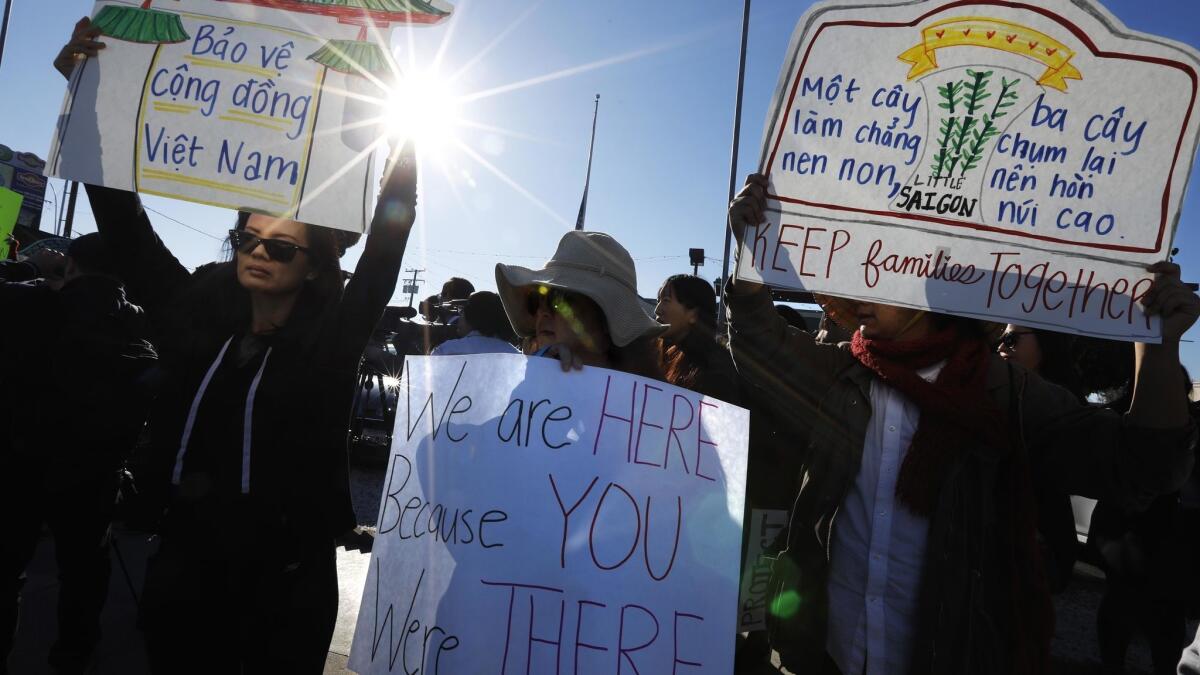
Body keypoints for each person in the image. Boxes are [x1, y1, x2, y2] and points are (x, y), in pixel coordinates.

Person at [725, 172, 1197, 675]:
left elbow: (1140, 466)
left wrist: (1158, 345)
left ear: (927, 280)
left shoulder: (1006, 392)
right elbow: (760, 342)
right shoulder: (845, 371)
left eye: (879, 269)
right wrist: (754, 249)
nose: (858, 289)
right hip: (824, 656)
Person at [59, 23, 419, 668]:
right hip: (183, 572)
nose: (257, 253)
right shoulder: (192, 322)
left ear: (313, 266)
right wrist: (91, 92)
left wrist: (406, 136)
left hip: (285, 584)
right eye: (245, 240)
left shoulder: (330, 345)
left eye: (279, 248)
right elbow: (124, 223)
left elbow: (386, 248)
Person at [1, 233, 157, 674]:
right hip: (94, 472)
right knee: (84, 576)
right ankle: (73, 656)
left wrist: (31, 269)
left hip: (20, 460)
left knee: (8, 569)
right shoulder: (135, 322)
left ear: (71, 264)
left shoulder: (32, 305)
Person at [495, 230, 664, 378]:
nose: (542, 312)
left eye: (559, 300)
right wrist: (535, 378)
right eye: (536, 300)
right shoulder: (525, 376)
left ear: (607, 320)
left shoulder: (645, 406)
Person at [655, 273, 739, 402]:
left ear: (693, 314)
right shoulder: (653, 353)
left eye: (666, 300)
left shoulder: (715, 371)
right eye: (658, 300)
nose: (657, 309)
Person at [430, 291, 519, 355]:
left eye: (462, 310)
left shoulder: (447, 349)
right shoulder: (516, 354)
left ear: (472, 315)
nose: (460, 314)